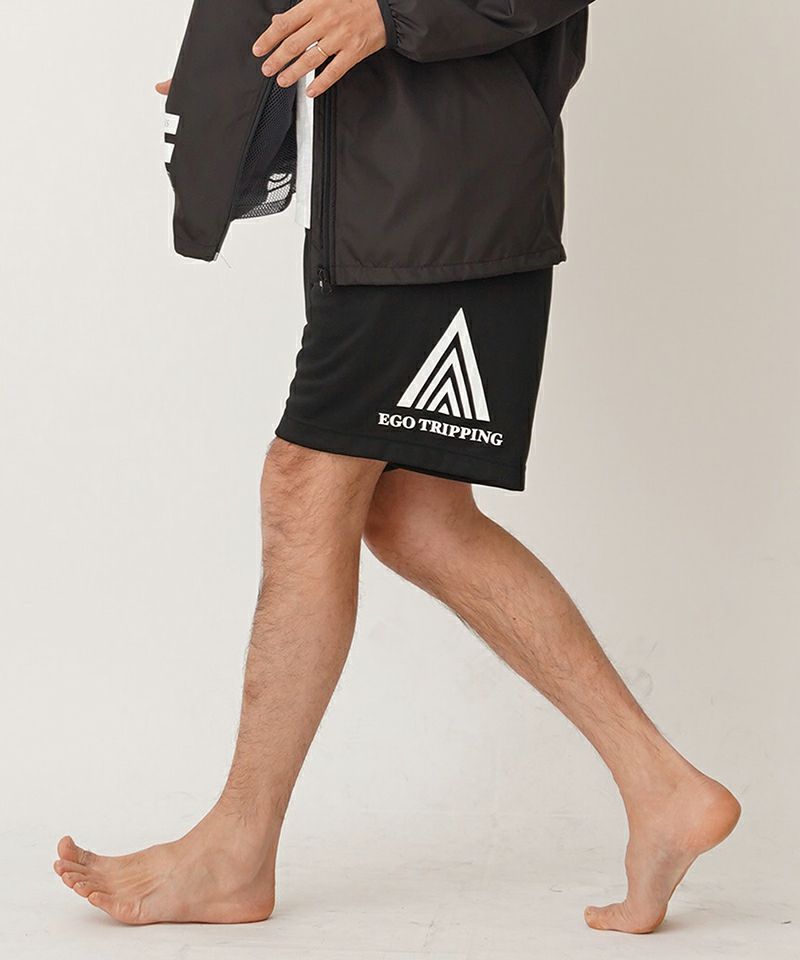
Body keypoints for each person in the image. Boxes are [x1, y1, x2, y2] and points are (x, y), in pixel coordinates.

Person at [53, 0, 740, 933]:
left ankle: (235, 852)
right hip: (392, 205)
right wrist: (250, 70)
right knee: (418, 519)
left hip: (436, 209)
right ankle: (663, 788)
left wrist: (390, 13)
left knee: (303, 485)